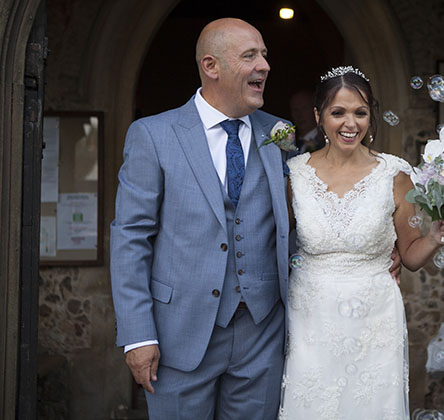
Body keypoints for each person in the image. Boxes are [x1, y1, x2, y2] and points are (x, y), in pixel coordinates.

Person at [110, 18, 290, 419]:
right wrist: (137, 335)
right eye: (250, 56)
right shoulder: (153, 135)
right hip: (178, 334)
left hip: (261, 334)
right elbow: (130, 238)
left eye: (264, 55)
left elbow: (306, 216)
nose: (264, 65)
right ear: (211, 66)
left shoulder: (281, 135)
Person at [278, 66, 444, 419]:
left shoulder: (395, 174)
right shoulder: (293, 174)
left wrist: (434, 236)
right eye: (337, 112)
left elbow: (411, 256)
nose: (350, 124)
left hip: (375, 318)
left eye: (360, 112)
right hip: (309, 316)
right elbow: (273, 242)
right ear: (318, 116)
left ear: (371, 115)